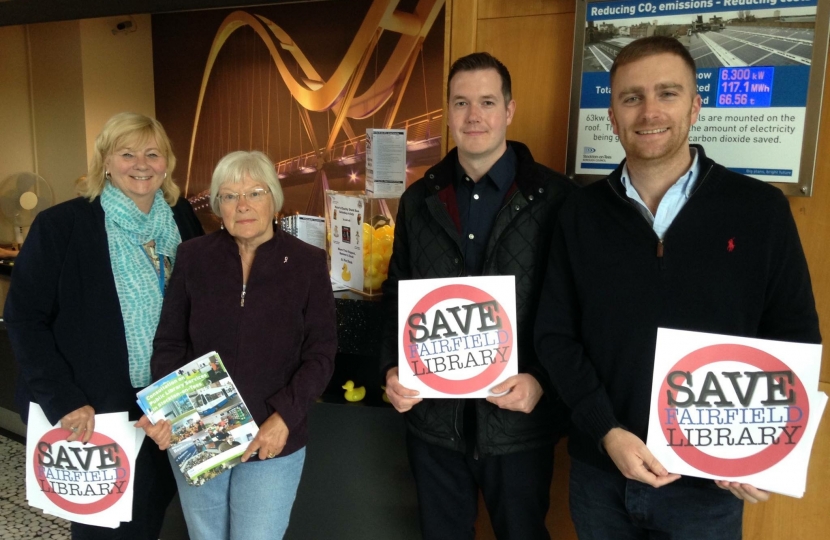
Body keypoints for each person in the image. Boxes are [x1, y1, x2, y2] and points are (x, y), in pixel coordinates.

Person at [535, 36, 821, 539]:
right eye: (631, 97)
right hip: (601, 474)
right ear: (612, 114)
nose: (649, 112)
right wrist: (606, 430)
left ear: (694, 106)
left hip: (708, 489)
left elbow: (793, 338)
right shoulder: (578, 213)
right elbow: (555, 336)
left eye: (667, 93)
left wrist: (760, 452)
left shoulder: (760, 211)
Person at [380, 52, 573, 539]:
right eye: (461, 102)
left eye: (487, 102)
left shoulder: (557, 198)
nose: (474, 116)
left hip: (518, 422)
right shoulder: (418, 200)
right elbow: (396, 293)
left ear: (509, 110)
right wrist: (389, 369)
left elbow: (574, 307)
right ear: (447, 111)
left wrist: (542, 382)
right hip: (435, 423)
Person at [4, 111, 204, 539]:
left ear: (167, 162)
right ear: (105, 162)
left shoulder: (180, 216)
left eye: (153, 153)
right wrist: (64, 400)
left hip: (169, 398)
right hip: (95, 408)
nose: (141, 164)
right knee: (106, 527)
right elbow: (25, 319)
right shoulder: (63, 226)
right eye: (127, 153)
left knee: (159, 515)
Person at [142, 150, 337, 540]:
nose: (243, 205)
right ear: (217, 206)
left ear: (274, 200)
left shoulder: (307, 263)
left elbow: (321, 353)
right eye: (229, 196)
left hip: (271, 437)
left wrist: (285, 418)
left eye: (255, 192)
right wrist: (168, 412)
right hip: (200, 433)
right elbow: (169, 342)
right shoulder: (193, 257)